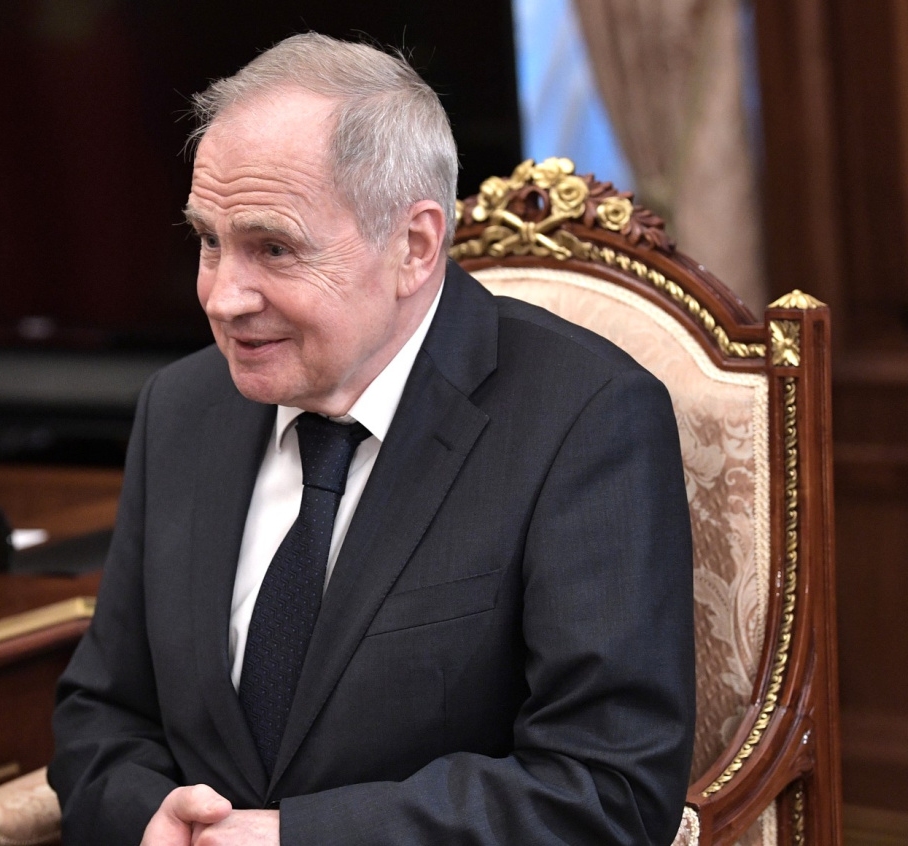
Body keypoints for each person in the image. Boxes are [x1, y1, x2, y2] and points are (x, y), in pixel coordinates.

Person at [50, 33, 695, 846]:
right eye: (209, 241)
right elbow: (101, 712)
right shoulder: (182, 407)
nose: (221, 297)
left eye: (273, 248)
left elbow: (608, 789)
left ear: (414, 247)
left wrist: (297, 840)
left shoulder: (584, 419)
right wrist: (149, 818)